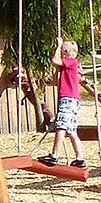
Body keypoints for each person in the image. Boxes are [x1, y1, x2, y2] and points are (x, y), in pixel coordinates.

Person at [38, 37, 86, 168]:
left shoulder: (71, 61)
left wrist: (58, 46)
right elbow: (56, 81)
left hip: (68, 98)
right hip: (72, 99)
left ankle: (54, 155)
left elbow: (54, 60)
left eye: (63, 51)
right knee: (71, 131)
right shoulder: (67, 66)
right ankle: (80, 158)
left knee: (61, 126)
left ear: (67, 52)